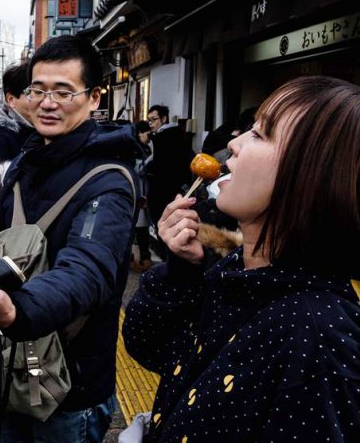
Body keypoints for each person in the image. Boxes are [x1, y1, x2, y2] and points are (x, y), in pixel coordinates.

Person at [123, 76, 360, 442]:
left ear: (311, 176)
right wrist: (180, 268)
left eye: (260, 134)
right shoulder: (234, 271)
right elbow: (150, 348)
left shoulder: (319, 336)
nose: (233, 143)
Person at [0, 35, 141, 442]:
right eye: (38, 90)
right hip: (10, 370)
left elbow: (87, 272)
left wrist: (15, 310)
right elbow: (6, 231)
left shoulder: (110, 182)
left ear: (94, 97)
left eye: (64, 91)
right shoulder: (29, 158)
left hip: (67, 387)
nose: (47, 103)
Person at [145, 104, 194, 228]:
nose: (150, 123)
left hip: (166, 193)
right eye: (148, 120)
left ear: (164, 119)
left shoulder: (165, 139)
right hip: (173, 192)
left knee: (165, 229)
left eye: (154, 119)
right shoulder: (173, 136)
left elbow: (161, 167)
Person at [132, 120, 153, 272]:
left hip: (143, 193)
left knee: (141, 229)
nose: (150, 137)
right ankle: (139, 259)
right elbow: (139, 169)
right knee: (137, 228)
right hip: (136, 193)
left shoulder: (146, 148)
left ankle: (143, 258)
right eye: (148, 134)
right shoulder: (135, 149)